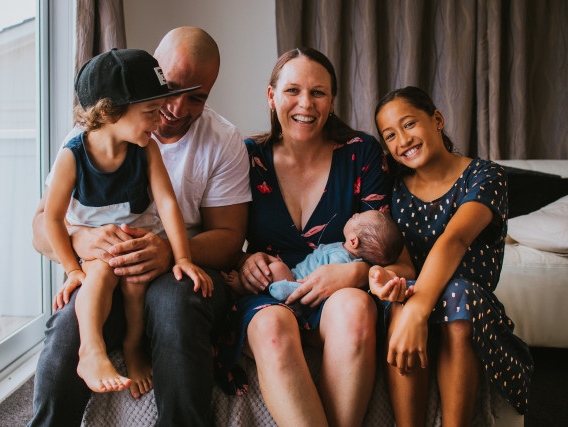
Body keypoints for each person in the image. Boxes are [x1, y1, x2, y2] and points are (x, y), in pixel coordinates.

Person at [29, 27, 251, 427]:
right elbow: (42, 227)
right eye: (171, 89)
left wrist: (173, 254)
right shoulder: (85, 141)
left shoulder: (221, 141)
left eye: (196, 97)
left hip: (177, 272)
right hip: (108, 265)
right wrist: (81, 241)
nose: (176, 108)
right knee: (69, 326)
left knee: (174, 304)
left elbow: (231, 241)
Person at [219, 47, 415, 427]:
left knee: (355, 310)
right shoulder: (246, 157)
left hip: (341, 296)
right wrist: (245, 260)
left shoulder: (362, 155)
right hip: (270, 292)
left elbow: (400, 261)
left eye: (318, 92)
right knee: (273, 330)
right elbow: (226, 238)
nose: (306, 104)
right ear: (271, 96)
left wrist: (356, 273)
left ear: (332, 101)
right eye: (293, 90)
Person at [45, 48, 213, 397]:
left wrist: (183, 257)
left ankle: (134, 346)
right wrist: (72, 268)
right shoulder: (72, 157)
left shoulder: (146, 149)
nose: (159, 121)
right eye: (150, 112)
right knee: (99, 275)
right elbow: (52, 218)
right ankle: (90, 350)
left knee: (137, 285)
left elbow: (167, 203)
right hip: (98, 255)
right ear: (109, 112)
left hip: (137, 245)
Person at [370, 86, 533, 425]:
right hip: (412, 293)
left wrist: (417, 311)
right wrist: (384, 280)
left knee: (459, 294)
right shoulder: (394, 187)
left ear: (437, 120)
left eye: (409, 124)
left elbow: (454, 240)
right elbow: (399, 260)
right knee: (399, 302)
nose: (403, 140)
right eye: (390, 135)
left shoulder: (486, 175)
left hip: (466, 303)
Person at [223, 210, 405, 303]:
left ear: (353, 241)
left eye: (357, 217)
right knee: (274, 266)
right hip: (295, 275)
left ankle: (245, 289)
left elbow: (326, 281)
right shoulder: (342, 248)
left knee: (277, 268)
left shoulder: (342, 260)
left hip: (301, 286)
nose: (355, 214)